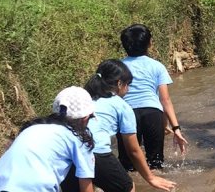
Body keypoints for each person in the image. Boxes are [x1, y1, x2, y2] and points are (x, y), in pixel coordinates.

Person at [79, 59, 176, 192]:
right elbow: (133, 150)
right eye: (128, 85)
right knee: (128, 187)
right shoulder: (121, 105)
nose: (128, 89)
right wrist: (151, 178)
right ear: (119, 84)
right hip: (95, 151)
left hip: (70, 150)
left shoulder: (84, 99)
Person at [0, 86, 96, 192]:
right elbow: (86, 185)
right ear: (85, 118)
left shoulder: (32, 128)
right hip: (35, 186)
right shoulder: (78, 138)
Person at [117, 24, 188, 172]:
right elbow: (165, 100)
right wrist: (176, 128)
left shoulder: (118, 67)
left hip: (126, 114)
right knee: (155, 162)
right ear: (149, 43)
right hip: (152, 113)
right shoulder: (157, 66)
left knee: (128, 164)